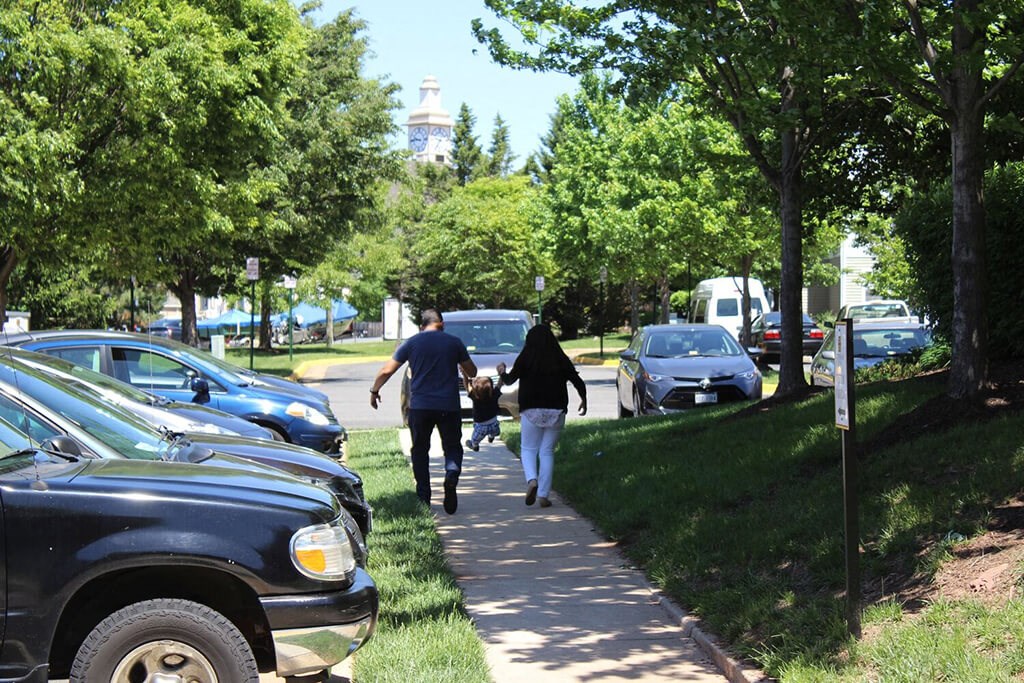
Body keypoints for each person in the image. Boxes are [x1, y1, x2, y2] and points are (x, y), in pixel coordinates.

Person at [369, 309, 477, 514]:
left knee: (420, 450)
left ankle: (424, 496)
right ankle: (452, 474)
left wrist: (374, 391)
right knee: (452, 446)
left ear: (421, 326)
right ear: (442, 324)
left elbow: (386, 370)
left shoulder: (412, 343)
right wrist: (460, 365)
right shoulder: (454, 342)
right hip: (449, 406)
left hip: (420, 407)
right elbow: (472, 371)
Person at [497, 324, 587, 508]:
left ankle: (532, 480)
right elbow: (577, 380)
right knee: (547, 451)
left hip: (531, 410)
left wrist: (501, 372)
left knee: (528, 449)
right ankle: (544, 495)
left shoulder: (526, 358)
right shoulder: (559, 358)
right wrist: (583, 399)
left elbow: (509, 380)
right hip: (556, 410)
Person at [463, 374, 503, 452]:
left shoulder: (475, 397)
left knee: (474, 440)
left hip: (481, 427)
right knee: (495, 433)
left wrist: (465, 375)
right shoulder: (494, 394)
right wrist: (501, 373)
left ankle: (474, 446)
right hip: (494, 424)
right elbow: (500, 383)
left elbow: (466, 386)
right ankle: (491, 436)